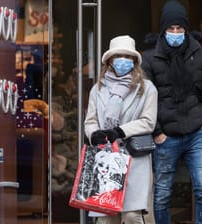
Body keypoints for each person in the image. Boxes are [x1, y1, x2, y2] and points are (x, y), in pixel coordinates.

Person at [141, 1, 202, 223]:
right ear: (163, 30)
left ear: (186, 29)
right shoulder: (150, 59)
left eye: (180, 29)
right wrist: (157, 132)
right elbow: (144, 99)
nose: (176, 33)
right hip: (165, 135)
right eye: (171, 29)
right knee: (162, 194)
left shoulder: (201, 53)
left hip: (197, 132)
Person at [84, 35, 158, 224]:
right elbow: (90, 121)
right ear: (109, 60)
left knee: (133, 215)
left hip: (134, 157)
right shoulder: (97, 90)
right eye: (118, 56)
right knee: (106, 216)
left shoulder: (147, 88)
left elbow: (149, 122)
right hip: (106, 159)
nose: (123, 61)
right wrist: (94, 134)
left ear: (134, 61)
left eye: (128, 57)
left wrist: (120, 131)